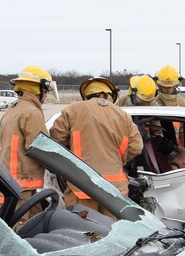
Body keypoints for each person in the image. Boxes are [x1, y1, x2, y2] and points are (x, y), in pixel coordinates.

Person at [49, 77, 143, 214]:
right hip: (114, 190)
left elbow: (56, 138)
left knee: (84, 232)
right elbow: (136, 147)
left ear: (87, 96)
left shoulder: (73, 110)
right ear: (109, 95)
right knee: (112, 232)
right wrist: (118, 159)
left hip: (83, 186)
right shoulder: (123, 115)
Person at [0, 65, 56, 223]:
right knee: (17, 233)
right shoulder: (31, 112)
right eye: (45, 90)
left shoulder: (13, 110)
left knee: (24, 227)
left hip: (10, 183)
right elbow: (41, 149)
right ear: (37, 90)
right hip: (22, 186)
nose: (45, 96)